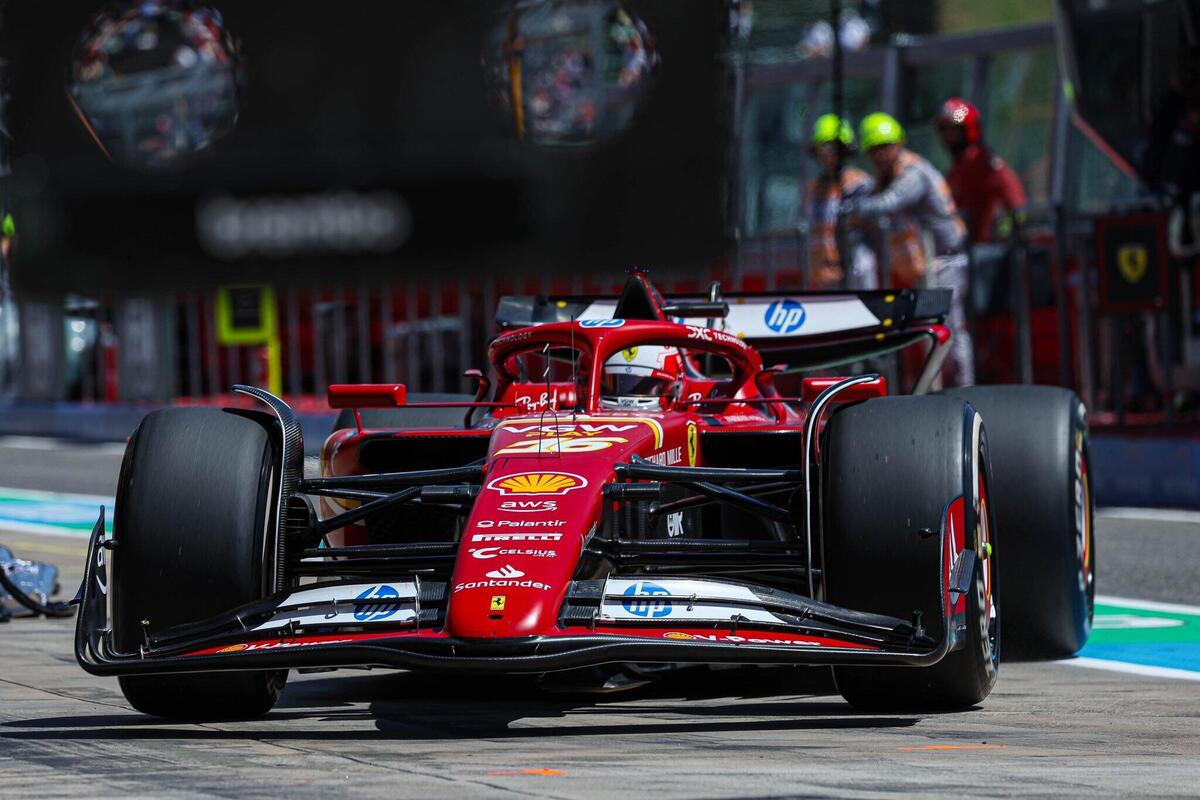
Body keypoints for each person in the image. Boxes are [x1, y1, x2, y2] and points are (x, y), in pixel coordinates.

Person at [841, 112, 974, 386]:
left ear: (899, 144)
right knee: (927, 333)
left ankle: (965, 390)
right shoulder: (881, 179)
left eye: (887, 146)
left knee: (949, 330)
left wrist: (855, 209)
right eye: (875, 149)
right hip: (922, 267)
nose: (882, 154)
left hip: (946, 262)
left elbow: (890, 203)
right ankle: (934, 391)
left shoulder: (915, 172)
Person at [801, 114, 877, 289]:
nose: (829, 154)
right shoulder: (812, 189)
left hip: (858, 268)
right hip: (824, 272)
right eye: (824, 147)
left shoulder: (860, 182)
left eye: (835, 148)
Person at [936, 97, 1026, 245]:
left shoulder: (982, 163)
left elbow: (1016, 202)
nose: (945, 136)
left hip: (981, 252)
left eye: (951, 129)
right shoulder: (957, 168)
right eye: (942, 129)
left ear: (967, 130)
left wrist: (1005, 234)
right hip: (958, 249)